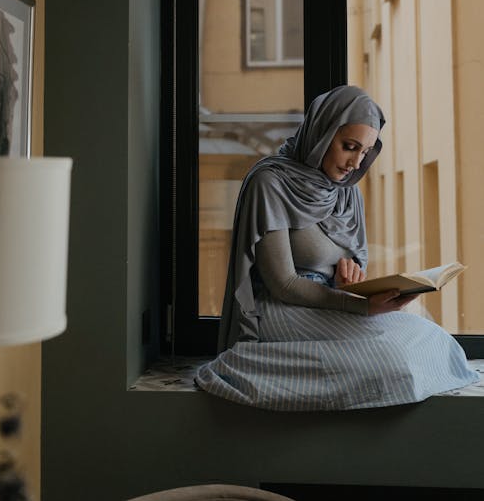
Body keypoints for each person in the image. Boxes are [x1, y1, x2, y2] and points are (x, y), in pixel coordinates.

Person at [195, 84, 479, 410]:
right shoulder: (270, 182)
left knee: (432, 336)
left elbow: (350, 267)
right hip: (280, 308)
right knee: (392, 359)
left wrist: (353, 287)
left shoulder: (346, 191)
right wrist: (359, 306)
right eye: (349, 147)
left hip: (332, 300)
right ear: (322, 132)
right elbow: (283, 284)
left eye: (365, 152)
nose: (356, 163)